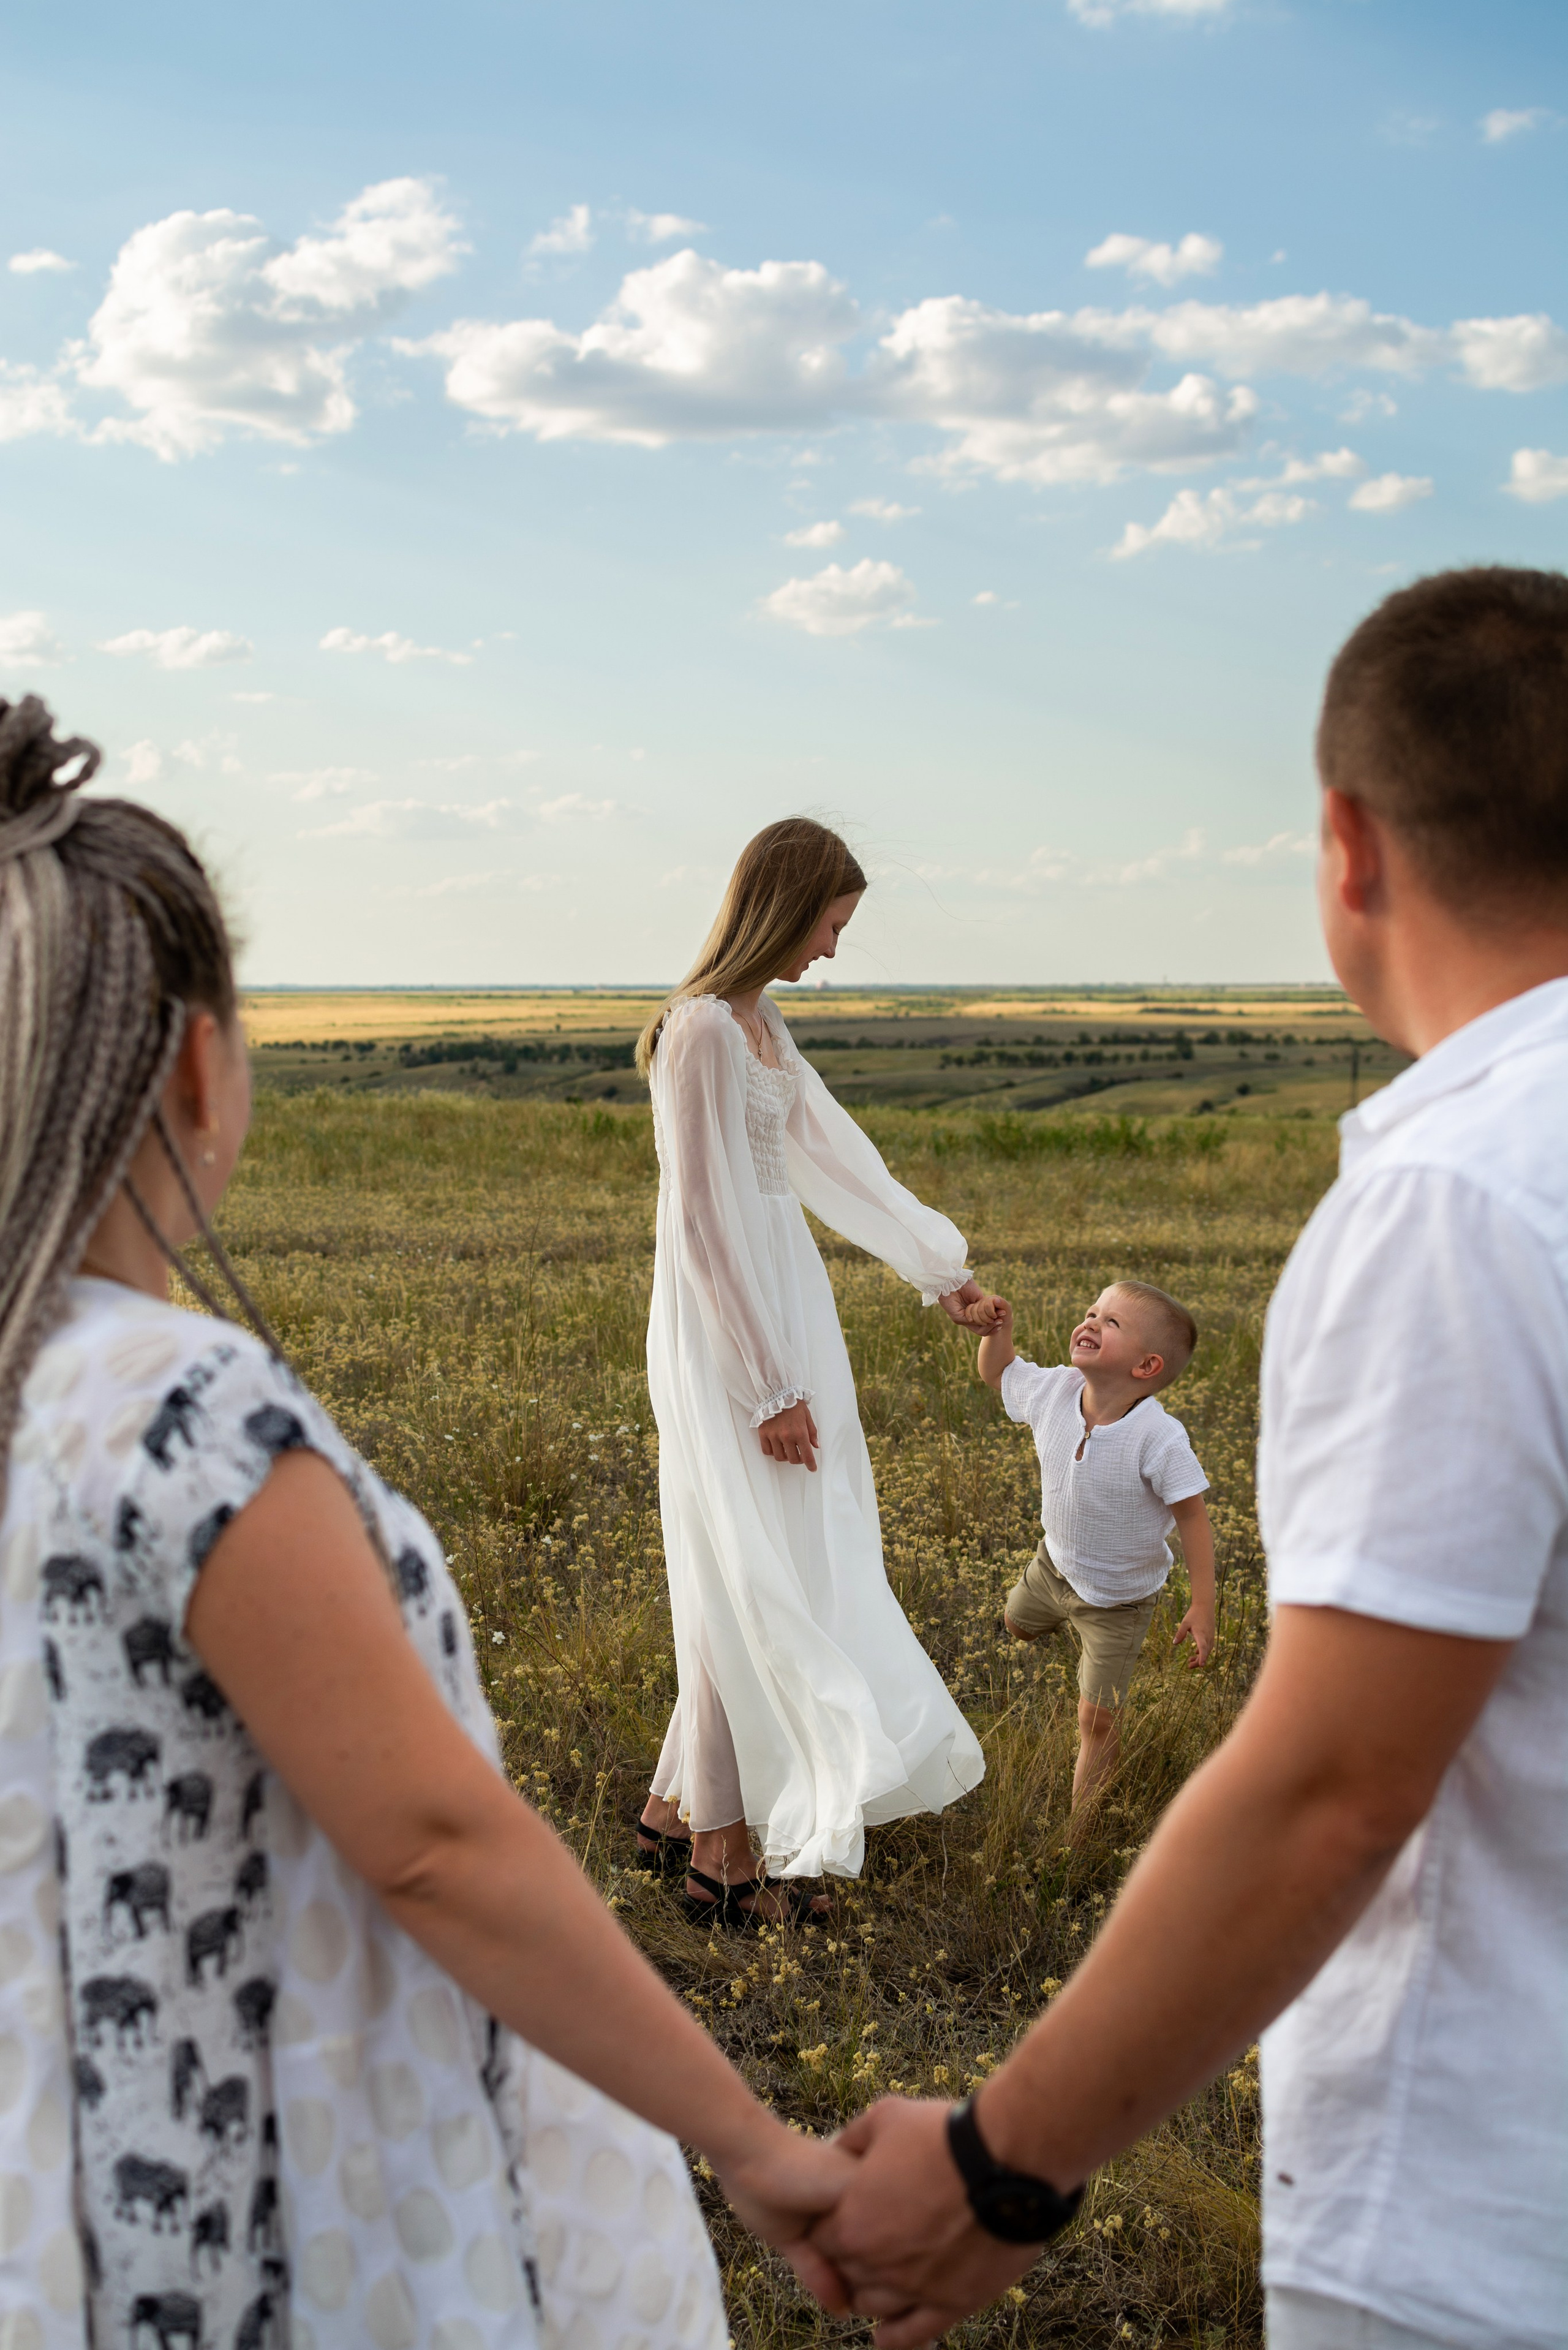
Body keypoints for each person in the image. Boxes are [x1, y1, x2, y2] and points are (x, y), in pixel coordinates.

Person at [0, 697, 852, 2350]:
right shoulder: (182, 1414)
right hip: (226, 2197)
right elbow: (434, 1844)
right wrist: (754, 2142)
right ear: (198, 1063)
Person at [809, 564, 1568, 2350]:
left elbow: (1334, 1783)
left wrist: (1008, 2163)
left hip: (1487, 2207)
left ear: (1346, 844)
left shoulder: (1460, 1201)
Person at [632, 818, 997, 1924]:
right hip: (729, 1320)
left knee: (763, 1555)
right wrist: (763, 1386)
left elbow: (835, 1155)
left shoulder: (761, 1023)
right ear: (782, 907)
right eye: (830, 924)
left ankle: (677, 1811)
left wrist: (943, 1275)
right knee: (752, 1565)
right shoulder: (698, 1031)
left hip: (789, 1302)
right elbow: (699, 1223)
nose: (833, 949)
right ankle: (727, 1852)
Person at [978, 1282, 1214, 1809]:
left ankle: (1080, 1828)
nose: (1090, 1322)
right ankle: (1048, 1619)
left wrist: (1202, 1604)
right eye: (1092, 1312)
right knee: (1016, 1625)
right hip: (1053, 1566)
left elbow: (1193, 1518)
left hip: (1117, 1602)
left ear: (1147, 1367)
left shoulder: (1160, 1437)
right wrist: (999, 1332)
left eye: (1112, 1324)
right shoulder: (1055, 1391)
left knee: (1097, 1719)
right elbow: (997, 1373)